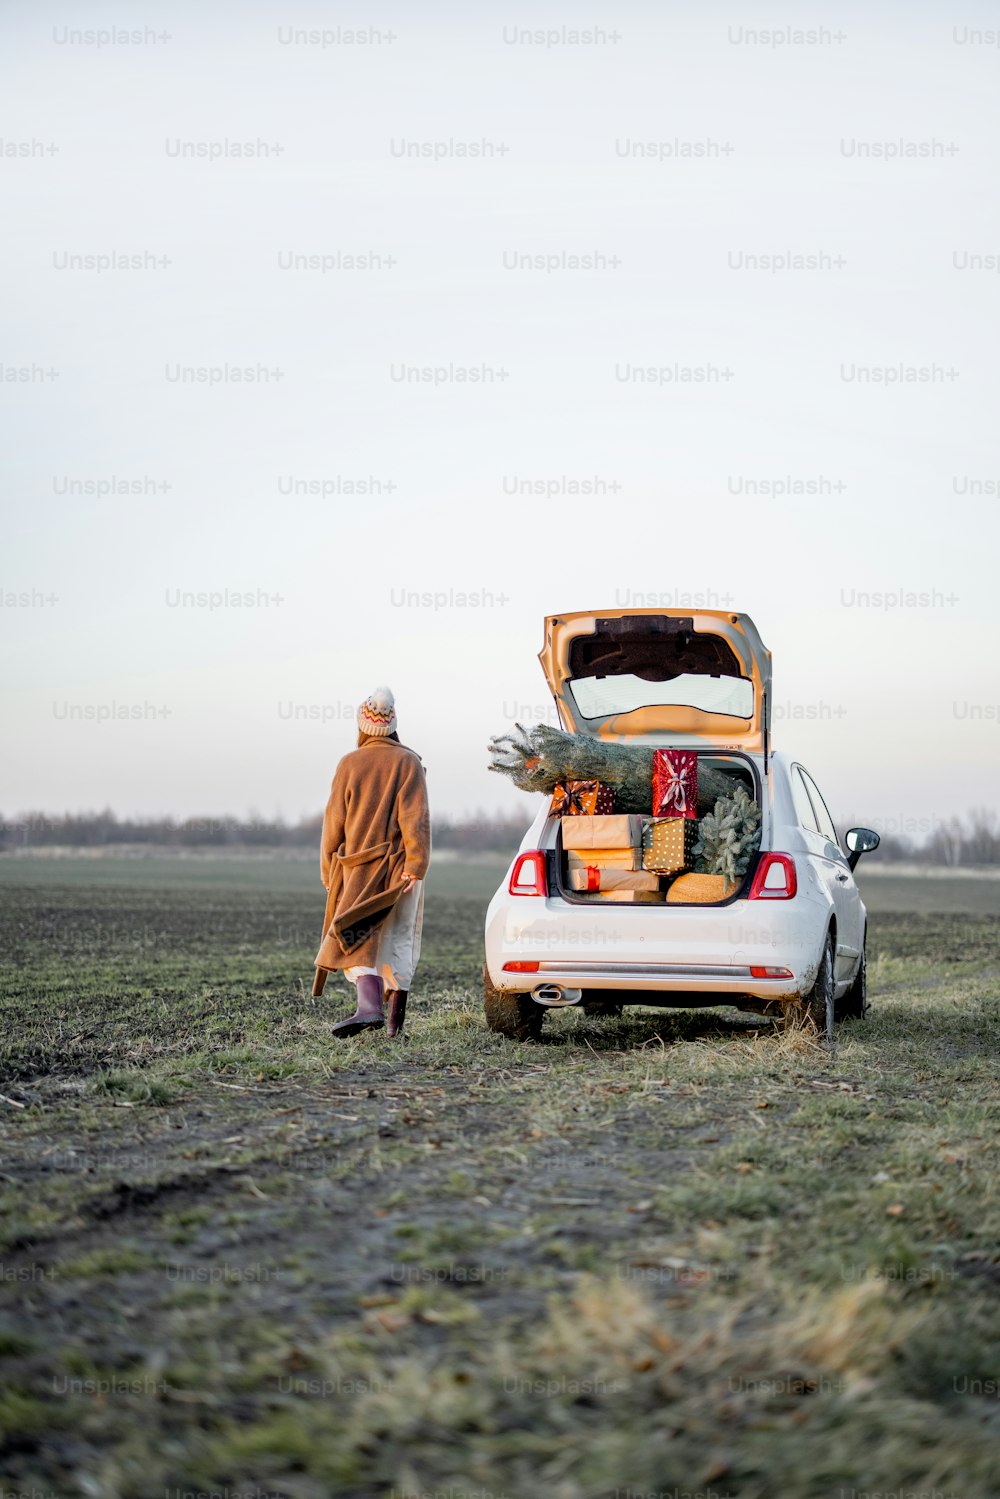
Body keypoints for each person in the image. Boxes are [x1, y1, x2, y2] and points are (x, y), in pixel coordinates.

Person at [312, 687, 430, 1040]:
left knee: (356, 933)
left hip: (355, 868)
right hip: (400, 870)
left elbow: (333, 823)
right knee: (398, 939)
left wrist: (327, 871)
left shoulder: (349, 763)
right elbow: (416, 818)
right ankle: (392, 1025)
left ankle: (368, 1007)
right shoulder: (409, 762)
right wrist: (417, 864)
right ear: (393, 725)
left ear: (363, 724)